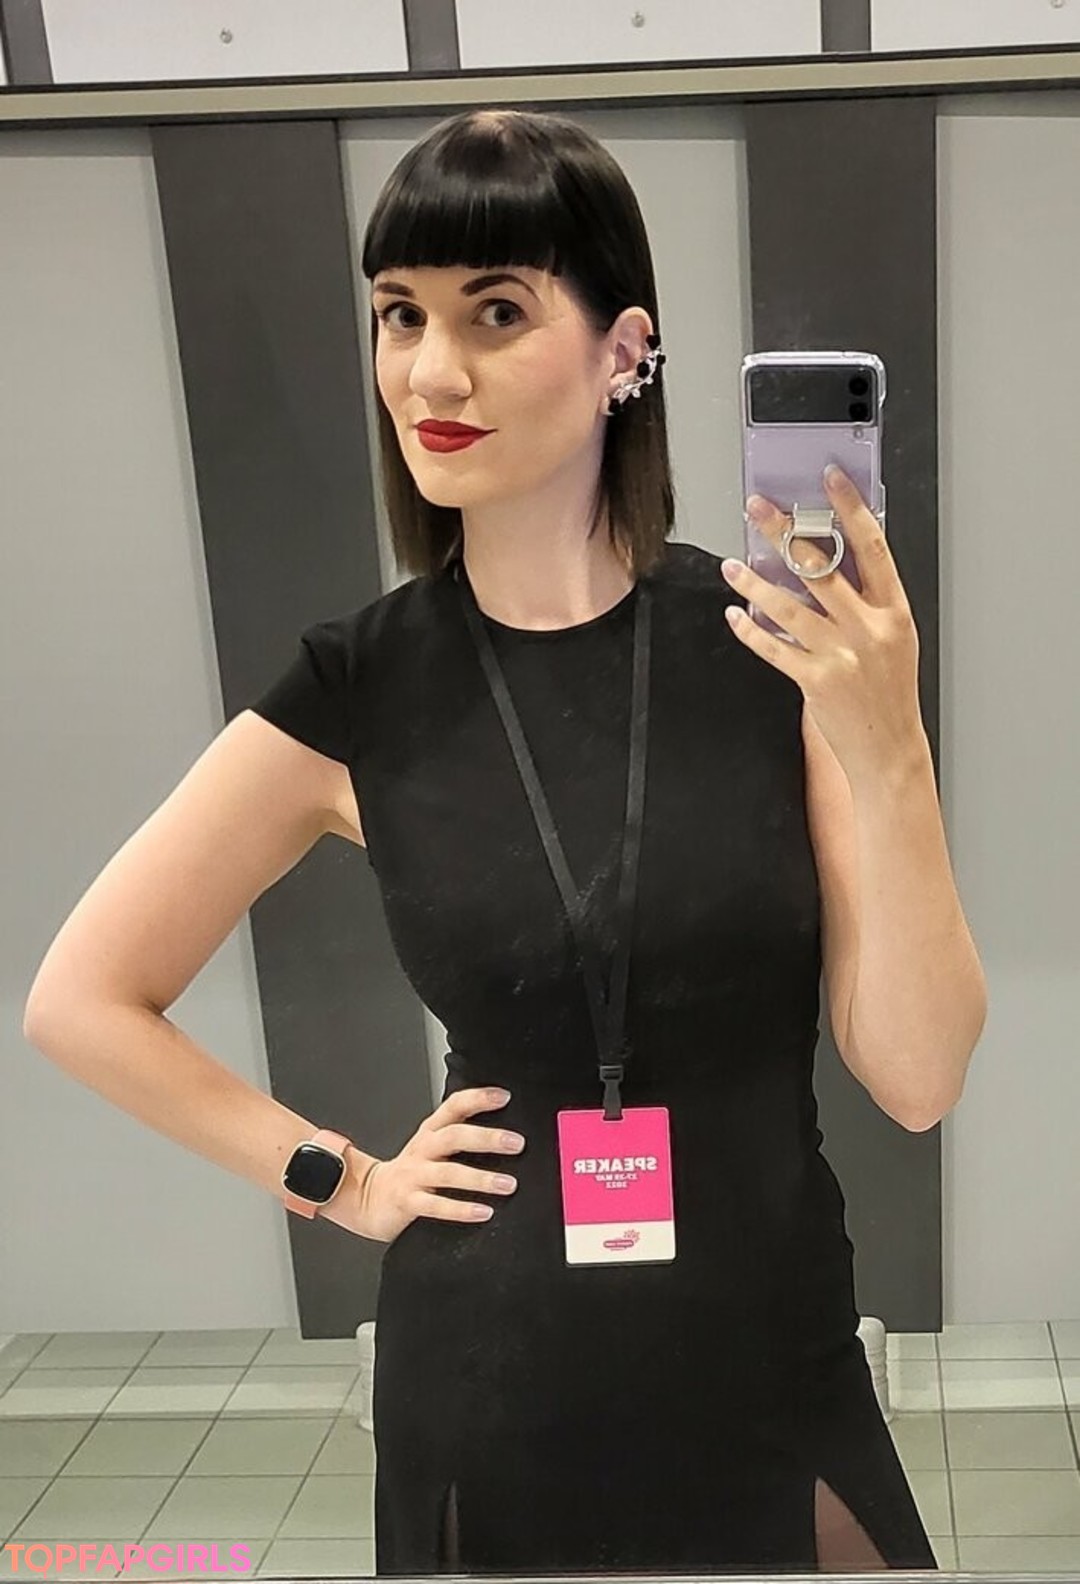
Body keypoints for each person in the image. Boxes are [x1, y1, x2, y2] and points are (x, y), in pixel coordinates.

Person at [24, 108, 939, 1574]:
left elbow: (918, 1072)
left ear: (624, 349)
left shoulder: (771, 646)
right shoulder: (358, 686)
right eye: (401, 314)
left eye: (496, 312)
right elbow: (80, 999)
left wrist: (888, 741)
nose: (430, 372)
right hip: (495, 1366)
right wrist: (340, 1177)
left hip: (773, 1345)